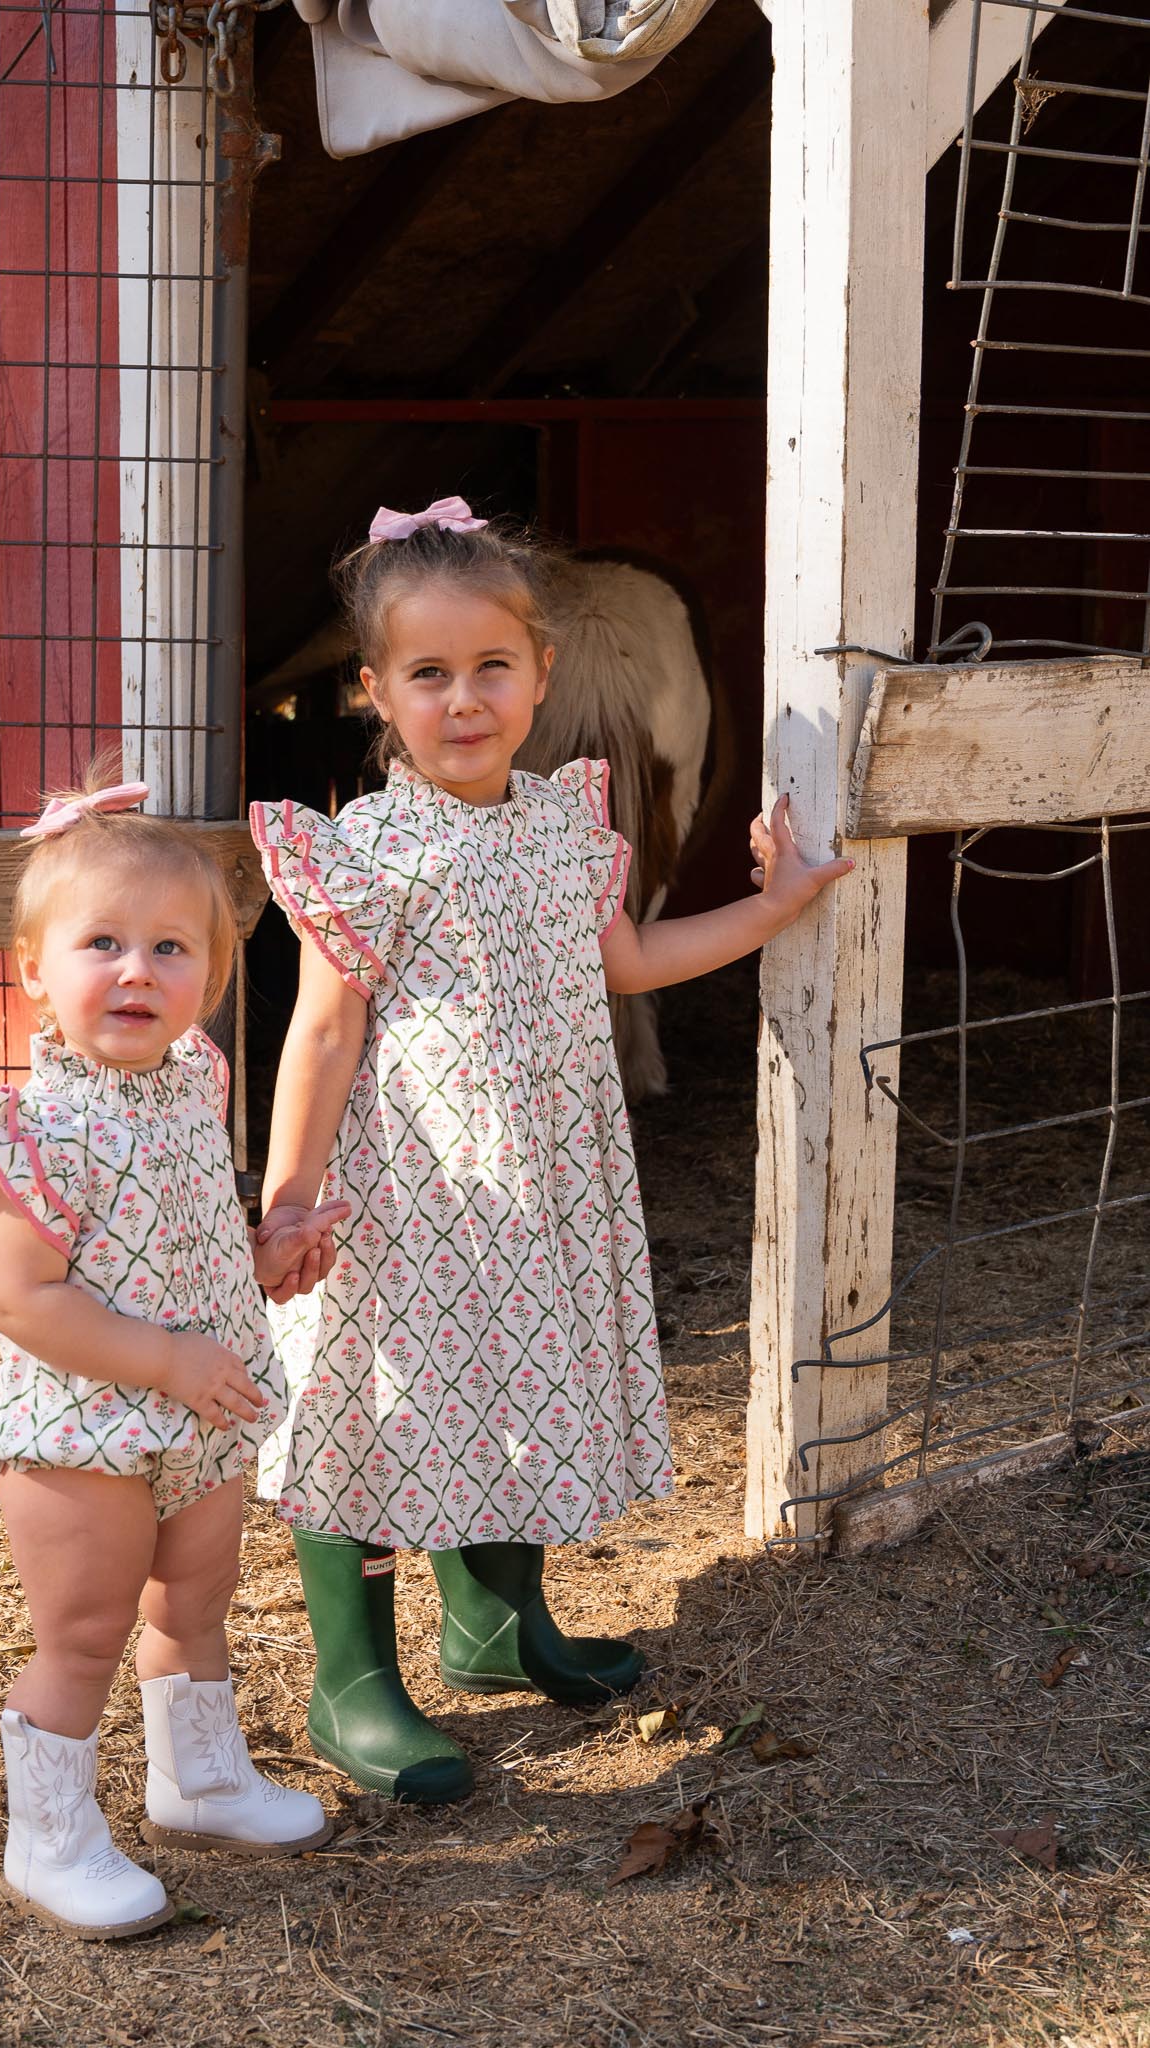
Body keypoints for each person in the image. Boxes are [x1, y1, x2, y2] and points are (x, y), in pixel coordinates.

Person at [249, 498, 852, 1803]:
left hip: (540, 1185)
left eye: (489, 669)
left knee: (515, 1385)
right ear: (374, 692)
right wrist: (289, 1194)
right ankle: (351, 1678)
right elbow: (319, 1035)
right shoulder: (364, 853)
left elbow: (633, 962)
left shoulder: (567, 828)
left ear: (540, 675)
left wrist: (773, 901)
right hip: (405, 1195)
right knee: (370, 1408)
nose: (462, 700)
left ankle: (493, 1625)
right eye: (426, 674)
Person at [0, 766, 346, 1937]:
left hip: (198, 1409)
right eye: (103, 942)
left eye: (172, 948)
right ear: (35, 972)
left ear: (212, 981)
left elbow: (182, 1235)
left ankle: (200, 1779)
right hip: (84, 1424)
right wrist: (168, 1359)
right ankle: (51, 1838)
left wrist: (264, 1259)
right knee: (86, 1627)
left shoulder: (192, 1084)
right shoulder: (31, 1127)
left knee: (198, 1597)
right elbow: (23, 1300)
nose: (137, 969)